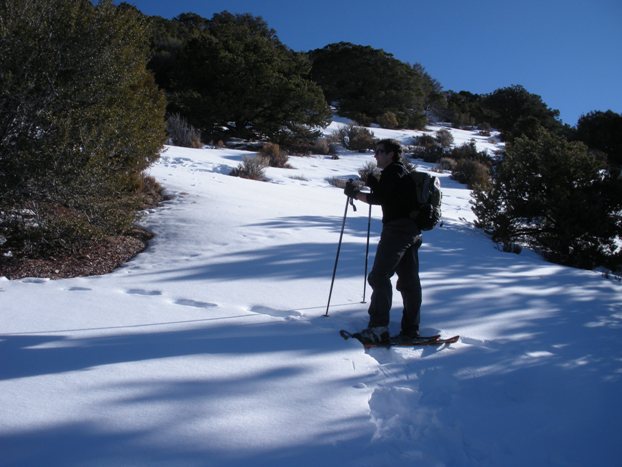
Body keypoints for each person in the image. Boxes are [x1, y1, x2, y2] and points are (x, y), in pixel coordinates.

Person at [344, 139, 422, 345]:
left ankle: (378, 328)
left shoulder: (393, 171)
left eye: (379, 151)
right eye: (375, 151)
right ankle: (411, 329)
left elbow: (379, 200)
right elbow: (388, 196)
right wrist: (372, 183)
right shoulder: (401, 173)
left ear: (391, 154)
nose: (375, 155)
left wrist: (355, 193)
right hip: (412, 231)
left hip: (397, 231)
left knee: (379, 276)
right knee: (409, 282)